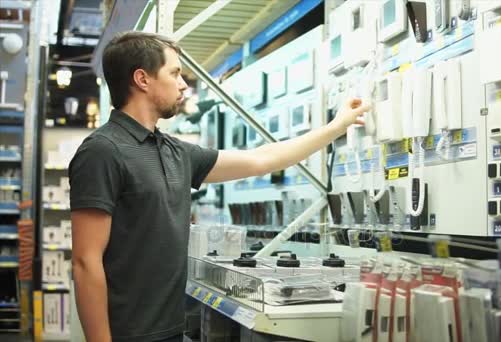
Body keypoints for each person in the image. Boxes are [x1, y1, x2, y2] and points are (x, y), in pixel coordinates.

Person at [69, 31, 370, 342]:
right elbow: (85, 261)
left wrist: (338, 125)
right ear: (142, 79)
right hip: (127, 335)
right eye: (174, 73)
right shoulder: (102, 151)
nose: (184, 84)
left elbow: (262, 159)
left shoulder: (175, 151)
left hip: (171, 331)